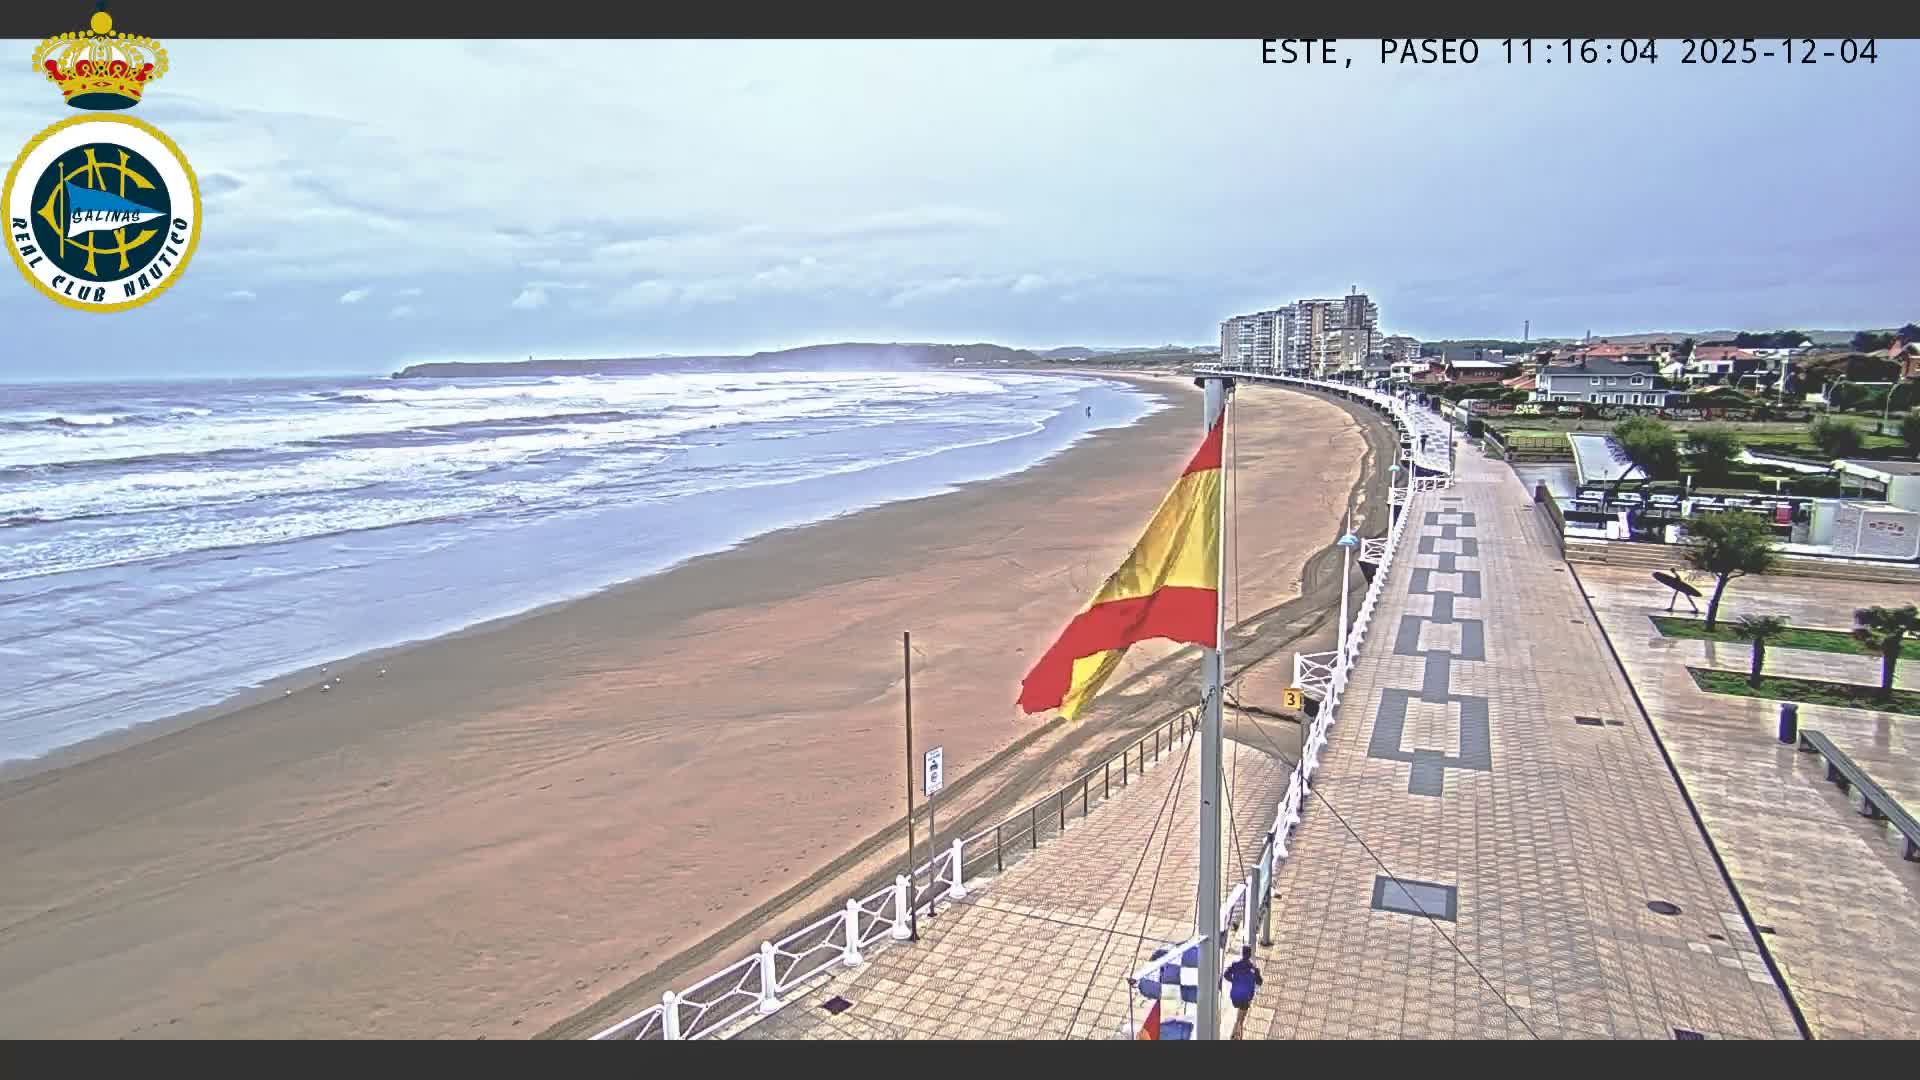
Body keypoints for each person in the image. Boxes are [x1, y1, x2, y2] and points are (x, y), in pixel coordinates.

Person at [1224, 945, 1262, 1039]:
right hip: (1246, 997)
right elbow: (1259, 982)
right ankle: (1238, 1035)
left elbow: (1226, 975)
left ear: (1242, 953)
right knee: (1241, 1019)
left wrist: (1234, 981)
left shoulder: (1235, 965)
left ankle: (1234, 1034)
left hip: (1235, 996)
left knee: (1239, 1014)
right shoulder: (1254, 969)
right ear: (1249, 955)